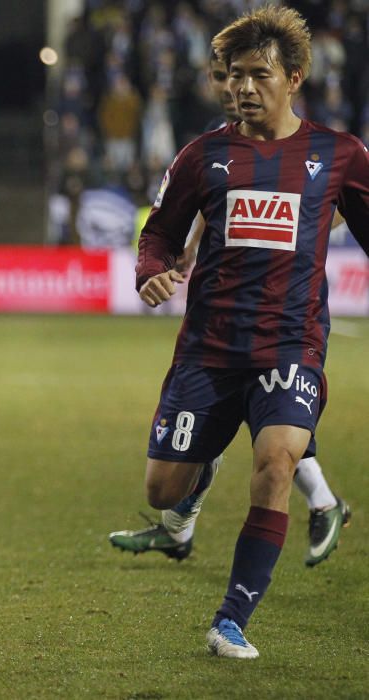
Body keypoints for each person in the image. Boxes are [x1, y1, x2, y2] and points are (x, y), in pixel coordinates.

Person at [123, 6, 368, 659]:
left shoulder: (339, 156)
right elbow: (158, 235)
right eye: (233, 76)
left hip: (291, 346)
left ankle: (231, 618)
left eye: (258, 75)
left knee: (278, 459)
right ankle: (196, 486)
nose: (242, 89)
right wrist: (150, 273)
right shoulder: (204, 157)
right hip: (208, 349)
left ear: (294, 77)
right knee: (161, 489)